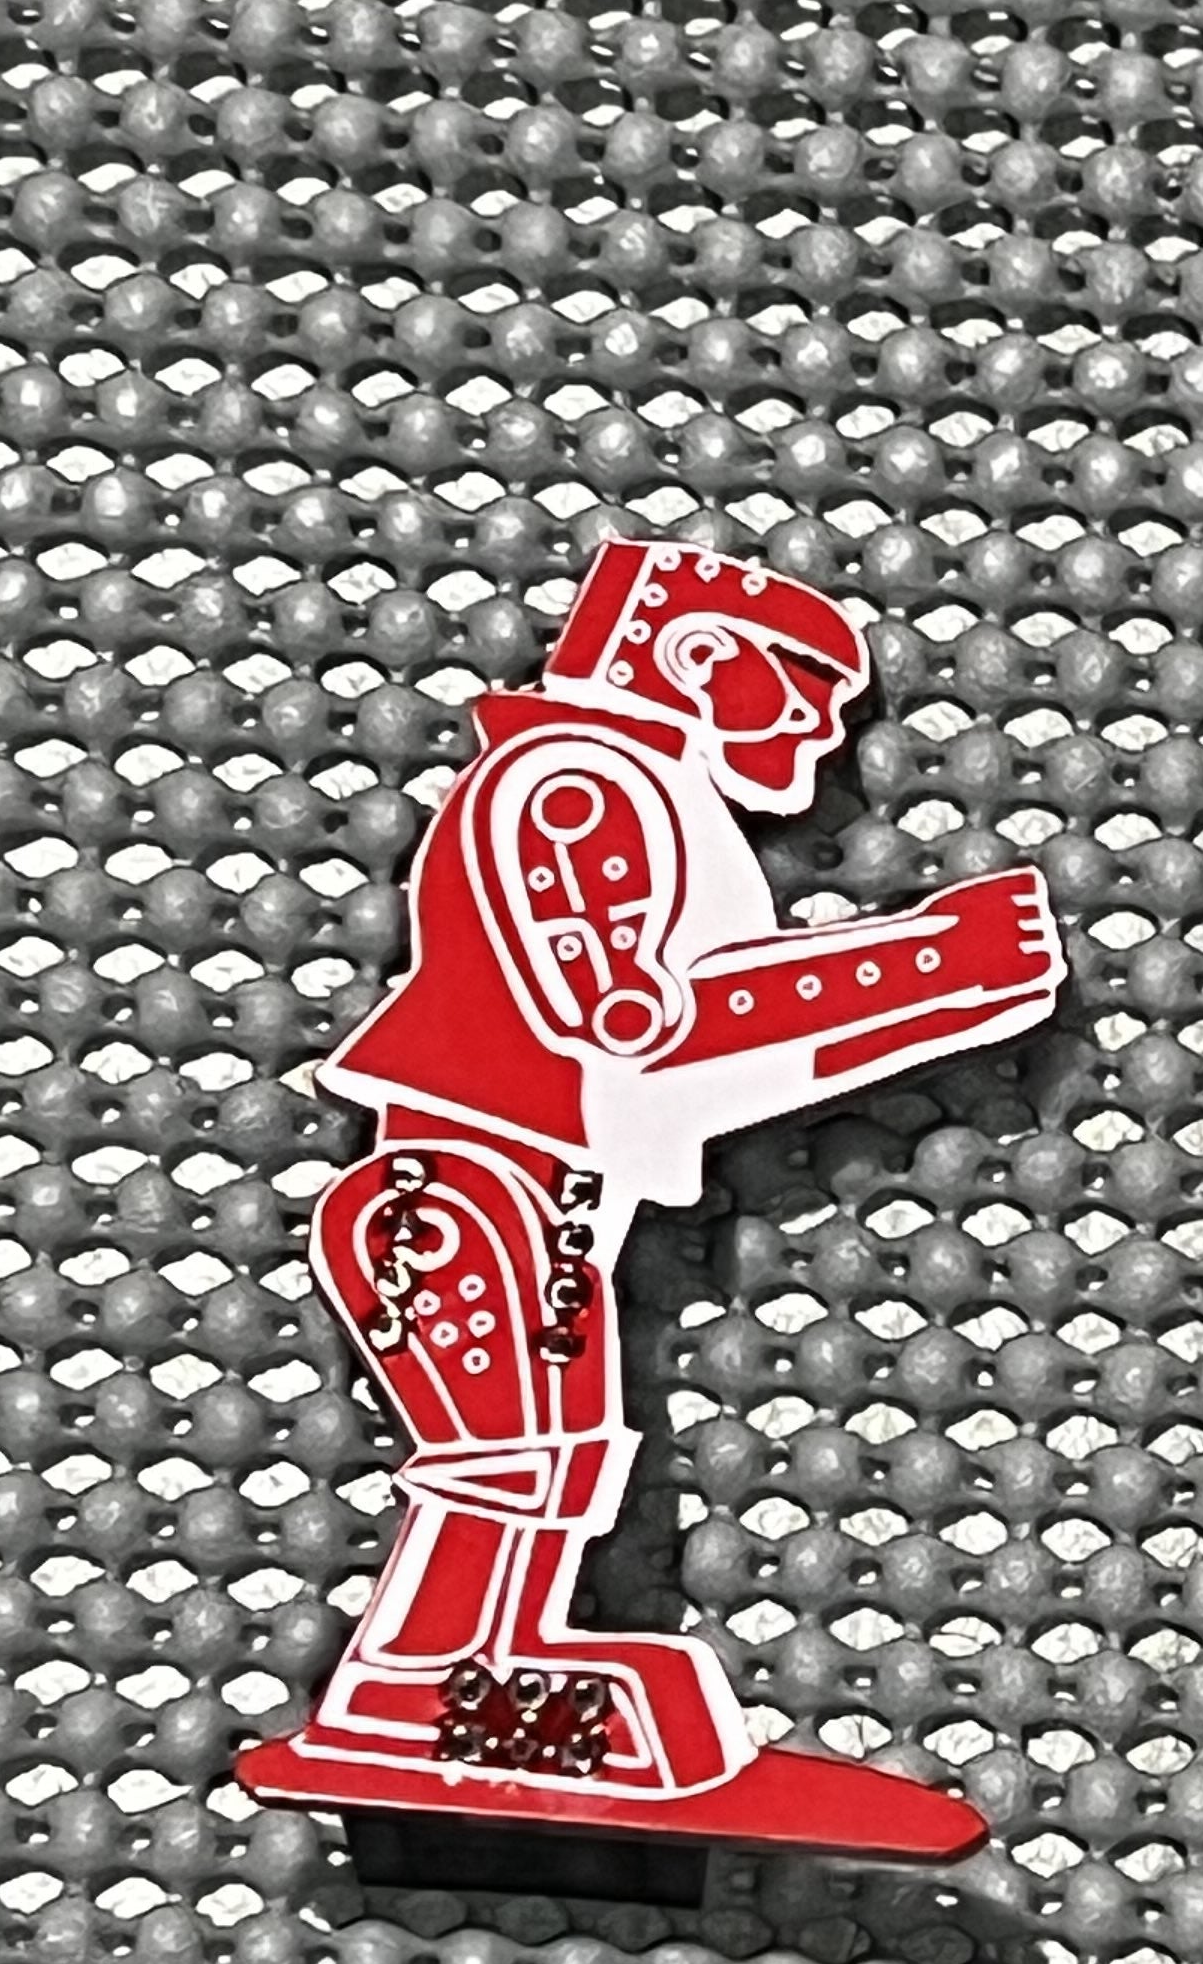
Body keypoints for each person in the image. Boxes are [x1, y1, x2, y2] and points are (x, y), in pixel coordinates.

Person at [236, 539, 1063, 1865]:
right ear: (697, 658)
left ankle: (462, 1681)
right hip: (464, 1187)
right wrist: (924, 967)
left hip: (542, 1191)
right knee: (508, 1458)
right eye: (802, 687)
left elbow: (714, 1054)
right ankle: (415, 1695)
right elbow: (640, 1022)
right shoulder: (576, 786)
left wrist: (934, 991)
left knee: (553, 1455)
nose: (820, 733)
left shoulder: (645, 794)